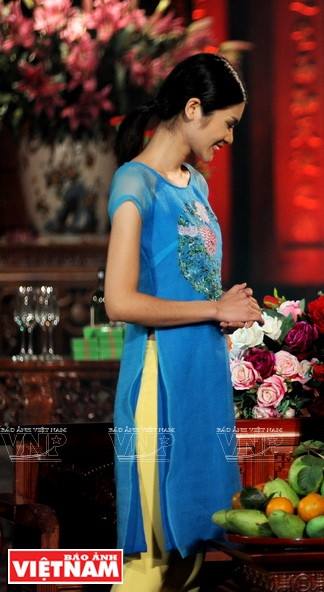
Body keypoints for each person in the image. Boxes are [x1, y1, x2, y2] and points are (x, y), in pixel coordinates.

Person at [106, 53, 262, 592]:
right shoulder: (135, 182)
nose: (230, 138)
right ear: (194, 109)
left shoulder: (196, 184)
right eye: (228, 124)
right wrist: (216, 309)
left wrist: (226, 308)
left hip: (203, 376)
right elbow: (119, 302)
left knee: (194, 553)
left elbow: (187, 282)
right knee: (150, 560)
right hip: (160, 378)